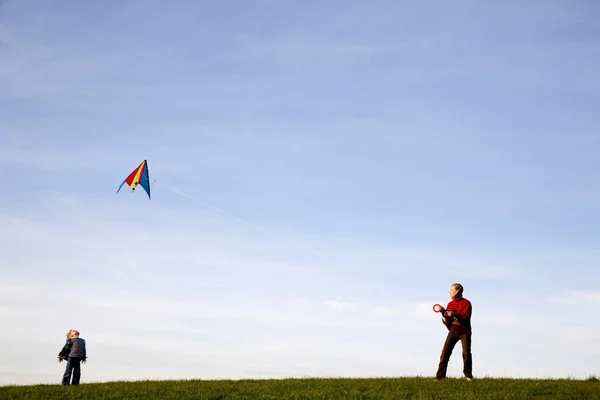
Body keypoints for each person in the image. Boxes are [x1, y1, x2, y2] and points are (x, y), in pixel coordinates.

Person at [435, 283, 473, 380]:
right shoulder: (450, 304)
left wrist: (454, 314)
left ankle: (468, 376)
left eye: (451, 290)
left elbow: (466, 317)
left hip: (465, 331)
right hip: (454, 331)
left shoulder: (467, 303)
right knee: (445, 353)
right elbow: (449, 321)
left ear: (458, 290)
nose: (449, 292)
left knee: (466, 353)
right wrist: (445, 317)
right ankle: (440, 377)